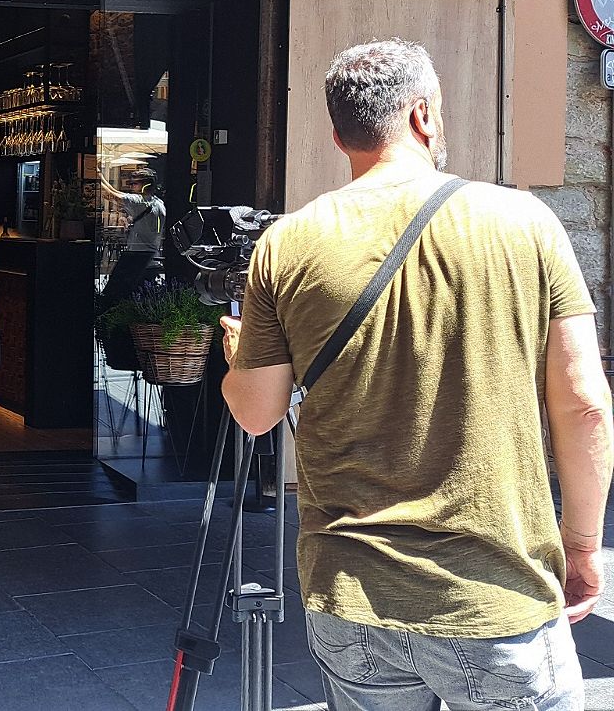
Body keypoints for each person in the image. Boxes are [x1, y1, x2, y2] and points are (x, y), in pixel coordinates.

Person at [220, 39, 612, 710]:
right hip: (493, 593)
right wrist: (581, 546)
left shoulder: (286, 242)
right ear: (423, 116)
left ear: (340, 134)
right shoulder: (525, 223)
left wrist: (237, 361)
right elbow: (583, 405)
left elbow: (256, 413)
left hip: (351, 594)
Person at [98, 167, 166, 309]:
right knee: (140, 301)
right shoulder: (158, 203)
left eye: (134, 183)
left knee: (114, 298)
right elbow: (116, 193)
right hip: (151, 258)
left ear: (146, 185)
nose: (131, 186)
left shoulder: (140, 202)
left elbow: (110, 194)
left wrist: (97, 175)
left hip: (137, 256)